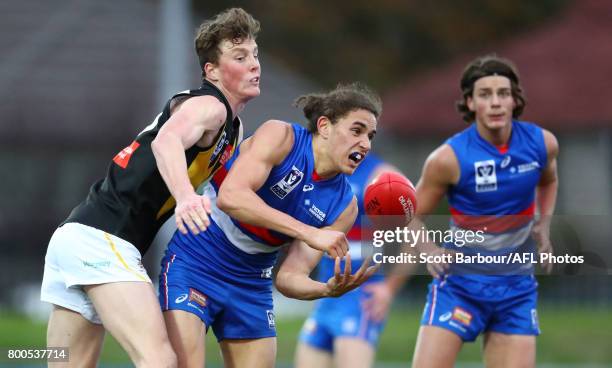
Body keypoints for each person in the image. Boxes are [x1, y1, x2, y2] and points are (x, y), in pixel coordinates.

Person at [40, 8, 262, 367]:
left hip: (77, 237)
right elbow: (166, 142)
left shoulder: (234, 129)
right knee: (159, 359)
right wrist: (187, 198)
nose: (254, 64)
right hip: (104, 239)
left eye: (254, 55)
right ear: (212, 71)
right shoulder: (209, 106)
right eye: (240, 57)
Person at [159, 82, 382, 368]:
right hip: (197, 260)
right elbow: (231, 196)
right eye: (357, 130)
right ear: (324, 126)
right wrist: (307, 232)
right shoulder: (282, 137)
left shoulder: (344, 206)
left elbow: (289, 277)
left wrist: (326, 289)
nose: (366, 143)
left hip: (252, 281)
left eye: (371, 136)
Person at [410, 55, 559, 368]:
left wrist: (544, 225)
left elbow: (549, 181)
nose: (495, 103)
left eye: (503, 94)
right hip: (460, 287)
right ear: (470, 102)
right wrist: (428, 249)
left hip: (516, 290)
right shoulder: (448, 158)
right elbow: (407, 211)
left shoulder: (542, 144)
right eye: (485, 94)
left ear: (515, 100)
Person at [295, 153, 410, 368]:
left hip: (360, 300)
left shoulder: (382, 176)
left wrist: (389, 289)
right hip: (326, 295)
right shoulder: (323, 171)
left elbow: (415, 236)